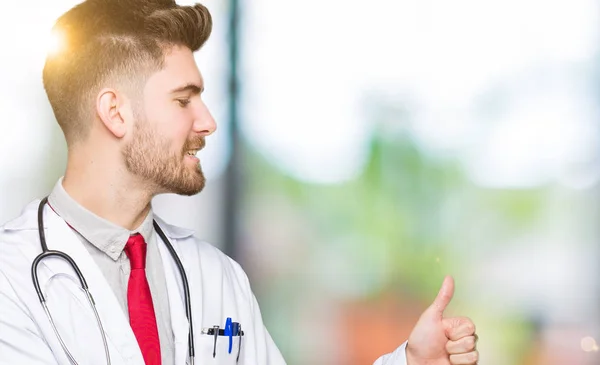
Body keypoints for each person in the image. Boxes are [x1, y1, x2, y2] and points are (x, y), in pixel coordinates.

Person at [0, 0, 479, 364]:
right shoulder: (10, 280)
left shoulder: (216, 276)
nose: (207, 121)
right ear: (115, 112)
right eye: (184, 100)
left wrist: (410, 362)